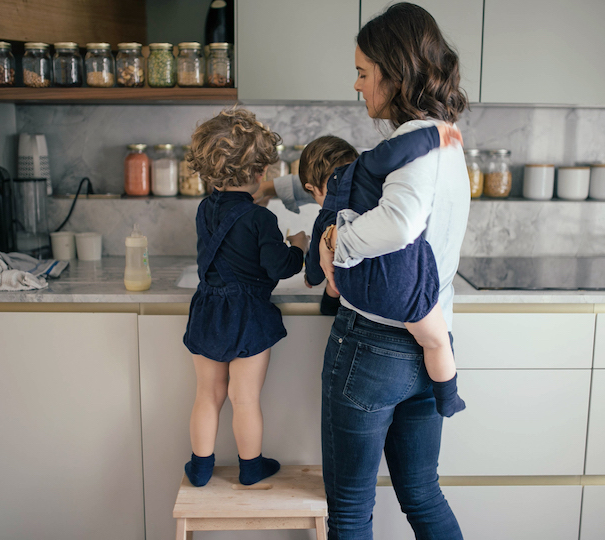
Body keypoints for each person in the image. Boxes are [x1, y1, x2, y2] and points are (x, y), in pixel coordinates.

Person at [261, 4, 470, 537]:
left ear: (394, 74)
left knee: (351, 509)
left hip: (373, 345)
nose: (356, 86)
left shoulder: (412, 150)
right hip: (431, 336)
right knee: (422, 494)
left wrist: (336, 242)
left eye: (362, 72)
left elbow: (398, 225)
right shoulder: (445, 140)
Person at [298, 128, 467, 419]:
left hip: (364, 299)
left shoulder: (325, 219)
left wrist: (310, 273)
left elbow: (315, 271)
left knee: (334, 279)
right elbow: (399, 149)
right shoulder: (367, 168)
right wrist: (434, 135)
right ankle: (447, 396)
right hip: (402, 287)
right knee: (437, 340)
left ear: (312, 187)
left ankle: (330, 304)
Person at [181, 108, 309, 487]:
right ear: (258, 173)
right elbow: (278, 267)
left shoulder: (204, 209)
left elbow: (228, 241)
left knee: (208, 393)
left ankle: (200, 468)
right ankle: (251, 467)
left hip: (207, 310)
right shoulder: (260, 219)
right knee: (244, 397)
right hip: (247, 317)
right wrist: (297, 247)